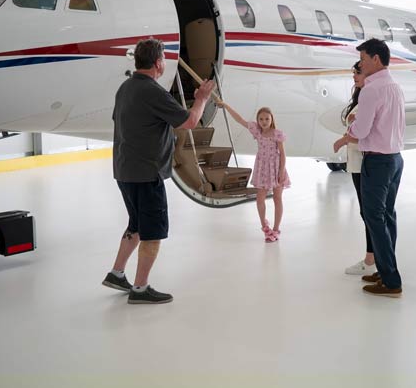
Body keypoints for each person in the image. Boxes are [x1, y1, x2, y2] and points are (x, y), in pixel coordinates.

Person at [102, 38, 215, 304]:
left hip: (124, 170)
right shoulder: (152, 91)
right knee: (152, 234)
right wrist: (202, 99)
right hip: (146, 173)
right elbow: (189, 121)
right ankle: (140, 289)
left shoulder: (125, 88)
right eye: (164, 58)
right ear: (157, 63)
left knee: (136, 226)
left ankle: (116, 273)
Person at [334, 38, 405, 298]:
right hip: (395, 158)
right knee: (387, 217)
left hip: (377, 161)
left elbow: (362, 130)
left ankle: (391, 281)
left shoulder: (372, 90)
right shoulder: (395, 87)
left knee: (374, 218)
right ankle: (387, 270)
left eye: (363, 60)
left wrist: (347, 134)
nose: (360, 65)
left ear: (376, 59)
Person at [217, 102, 290, 242]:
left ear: (272, 119)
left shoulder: (277, 134)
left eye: (267, 119)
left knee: (277, 198)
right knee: (260, 198)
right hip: (262, 168)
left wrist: (281, 171)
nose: (264, 122)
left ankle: (276, 229)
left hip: (275, 168)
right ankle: (265, 225)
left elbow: (283, 154)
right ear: (258, 120)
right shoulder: (257, 131)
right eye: (261, 119)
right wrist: (226, 105)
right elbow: (239, 119)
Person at [333, 62, 377, 276]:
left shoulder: (370, 96)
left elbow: (365, 130)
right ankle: (372, 257)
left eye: (358, 72)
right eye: (353, 72)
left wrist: (344, 138)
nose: (354, 76)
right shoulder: (360, 96)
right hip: (356, 162)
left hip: (364, 161)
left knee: (369, 212)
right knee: (365, 212)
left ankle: (371, 260)